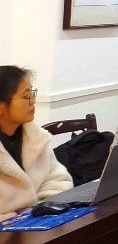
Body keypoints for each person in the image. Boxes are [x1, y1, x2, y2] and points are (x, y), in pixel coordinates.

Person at [0, 67, 73, 219]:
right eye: (26, 96)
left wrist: (41, 209)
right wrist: (15, 218)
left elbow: (58, 179)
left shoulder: (34, 137)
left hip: (40, 221)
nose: (33, 102)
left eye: (32, 94)